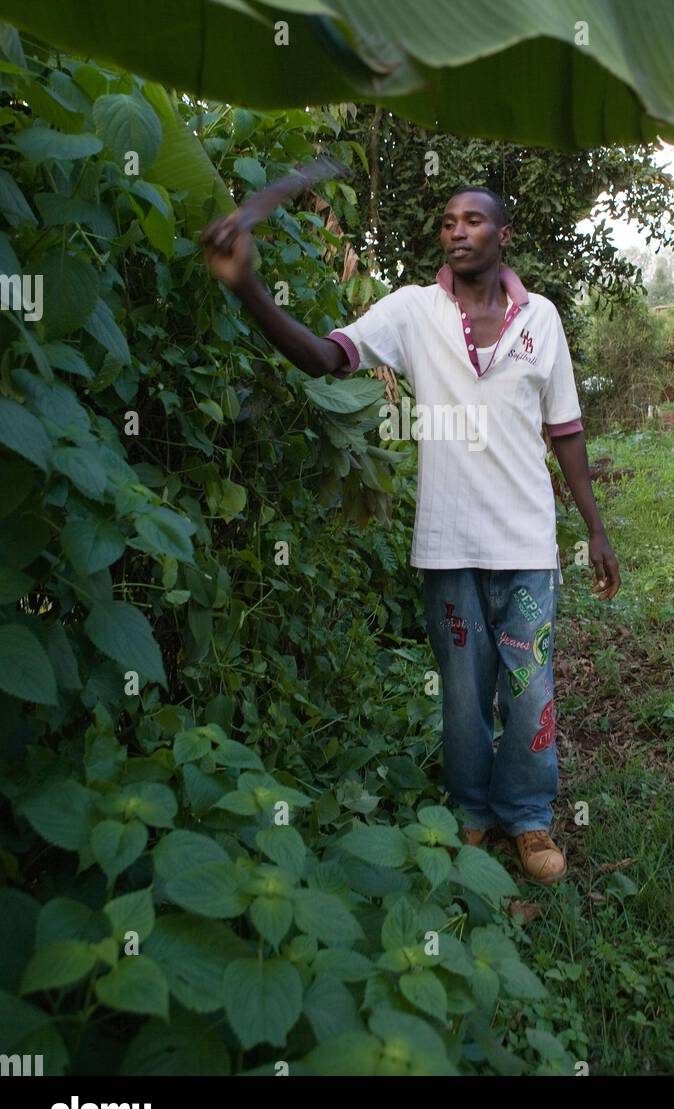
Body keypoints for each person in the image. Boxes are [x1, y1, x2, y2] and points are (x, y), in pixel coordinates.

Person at [202, 185, 620, 884]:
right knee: (463, 696)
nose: (458, 231)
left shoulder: (540, 319)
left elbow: (567, 430)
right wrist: (248, 288)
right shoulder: (411, 312)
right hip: (448, 544)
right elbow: (324, 359)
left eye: (474, 220)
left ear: (504, 234)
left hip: (526, 548)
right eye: (448, 221)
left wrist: (596, 530)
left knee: (529, 689)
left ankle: (527, 816)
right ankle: (471, 815)